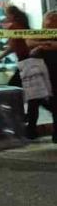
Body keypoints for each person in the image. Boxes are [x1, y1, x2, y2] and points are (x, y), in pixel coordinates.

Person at [24, 10, 57, 142]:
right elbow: (29, 42)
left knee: (54, 101)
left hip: (53, 71)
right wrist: (42, 45)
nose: (49, 22)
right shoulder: (40, 33)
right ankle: (31, 130)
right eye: (48, 19)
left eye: (53, 19)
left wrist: (45, 46)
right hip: (36, 71)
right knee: (34, 101)